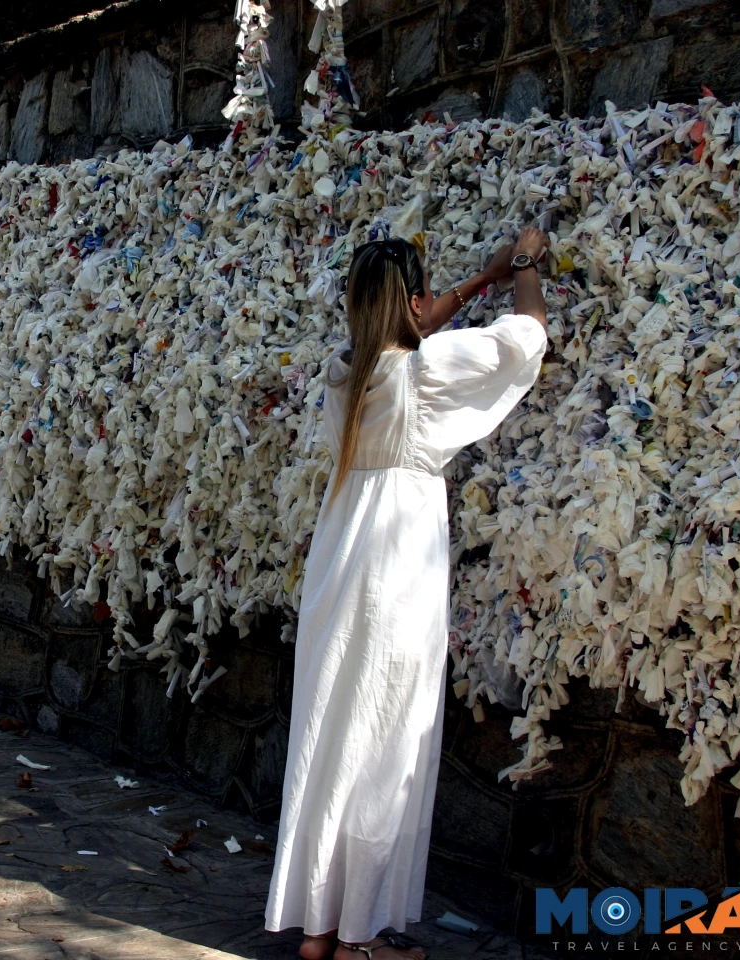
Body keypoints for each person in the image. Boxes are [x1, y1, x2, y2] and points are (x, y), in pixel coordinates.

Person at [263, 226, 551, 960]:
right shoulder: (422, 372)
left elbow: (410, 329)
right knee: (384, 741)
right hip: (394, 577)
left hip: (339, 570)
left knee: (333, 737)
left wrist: (477, 279)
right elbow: (525, 340)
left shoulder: (345, 372)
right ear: (414, 302)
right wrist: (521, 266)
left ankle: (320, 927)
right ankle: (359, 939)